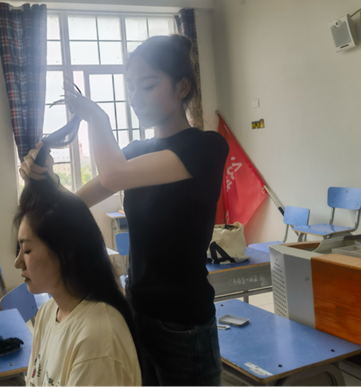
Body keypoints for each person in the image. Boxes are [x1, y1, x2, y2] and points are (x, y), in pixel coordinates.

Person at [21, 34, 229, 386]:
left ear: (182, 87)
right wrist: (45, 178)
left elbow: (114, 175)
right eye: (130, 87)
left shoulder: (206, 147)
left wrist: (97, 117)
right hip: (137, 309)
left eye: (147, 86)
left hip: (183, 322)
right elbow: (72, 205)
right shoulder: (135, 151)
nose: (135, 97)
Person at [13, 178, 141, 387]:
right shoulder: (47, 312)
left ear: (65, 253)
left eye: (26, 250)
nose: (17, 263)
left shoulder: (97, 341)